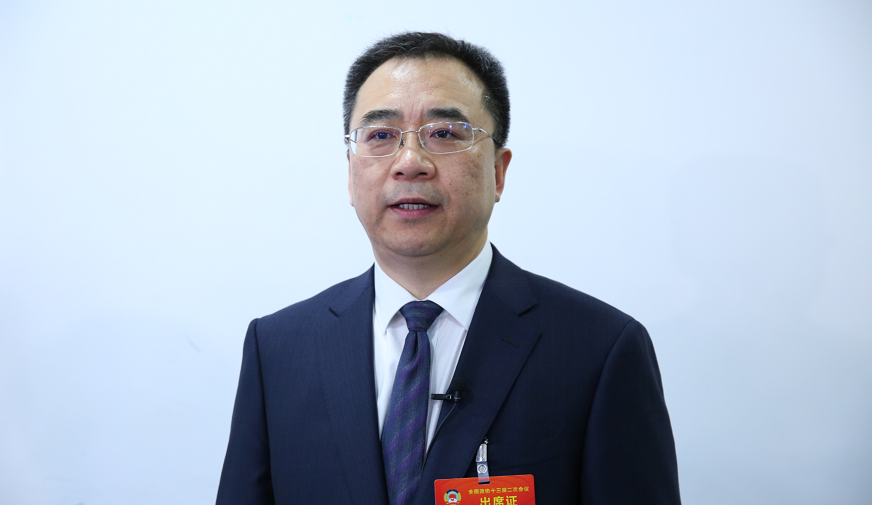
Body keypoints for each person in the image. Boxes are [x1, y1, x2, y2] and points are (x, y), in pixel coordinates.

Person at [216, 32, 680, 505]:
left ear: (498, 172)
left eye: (443, 133)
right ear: (351, 172)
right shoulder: (278, 348)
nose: (410, 163)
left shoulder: (599, 349)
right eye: (380, 136)